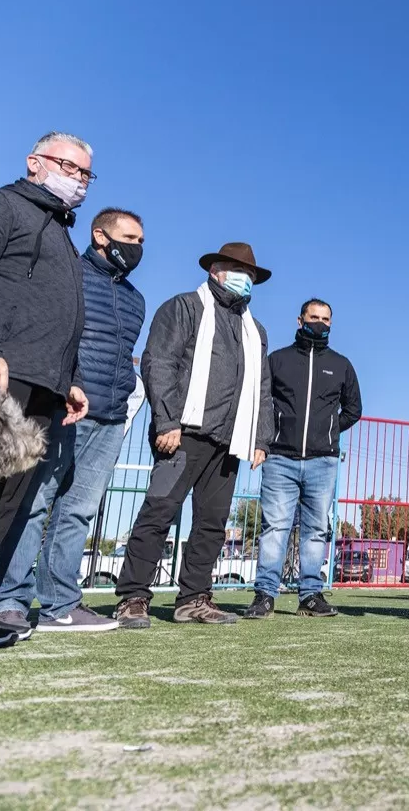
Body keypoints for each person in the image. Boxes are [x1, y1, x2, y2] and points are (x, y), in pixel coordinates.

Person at [0, 132, 94, 650]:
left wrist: (69, 378)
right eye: (69, 166)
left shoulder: (62, 235)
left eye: (86, 173)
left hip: (43, 386)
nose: (78, 180)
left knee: (4, 501)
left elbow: (60, 317)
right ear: (35, 162)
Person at [0, 208, 146, 637]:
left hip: (111, 416)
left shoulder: (135, 299)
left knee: (77, 511)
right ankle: (10, 601)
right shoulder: (68, 276)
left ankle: (61, 604)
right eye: (129, 238)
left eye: (141, 241)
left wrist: (122, 402)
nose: (137, 248)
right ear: (100, 236)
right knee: (33, 502)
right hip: (63, 407)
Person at [113, 242, 274, 629]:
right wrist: (167, 420)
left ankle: (194, 599)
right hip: (184, 434)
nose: (246, 280)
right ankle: (133, 597)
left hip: (230, 440)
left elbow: (262, 388)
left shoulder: (255, 331)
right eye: (239, 271)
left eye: (251, 275)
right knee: (159, 512)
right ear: (215, 270)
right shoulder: (184, 307)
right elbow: (159, 362)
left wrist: (261, 438)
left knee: (213, 523)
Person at [244, 299, 362, 620]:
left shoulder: (341, 365)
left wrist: (329, 430)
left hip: (323, 462)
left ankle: (310, 595)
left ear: (331, 324)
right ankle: (265, 595)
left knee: (316, 530)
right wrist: (265, 439)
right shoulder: (278, 360)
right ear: (300, 320)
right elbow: (262, 401)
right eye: (314, 317)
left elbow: (353, 409)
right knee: (275, 527)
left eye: (325, 319)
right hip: (280, 458)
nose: (319, 323)